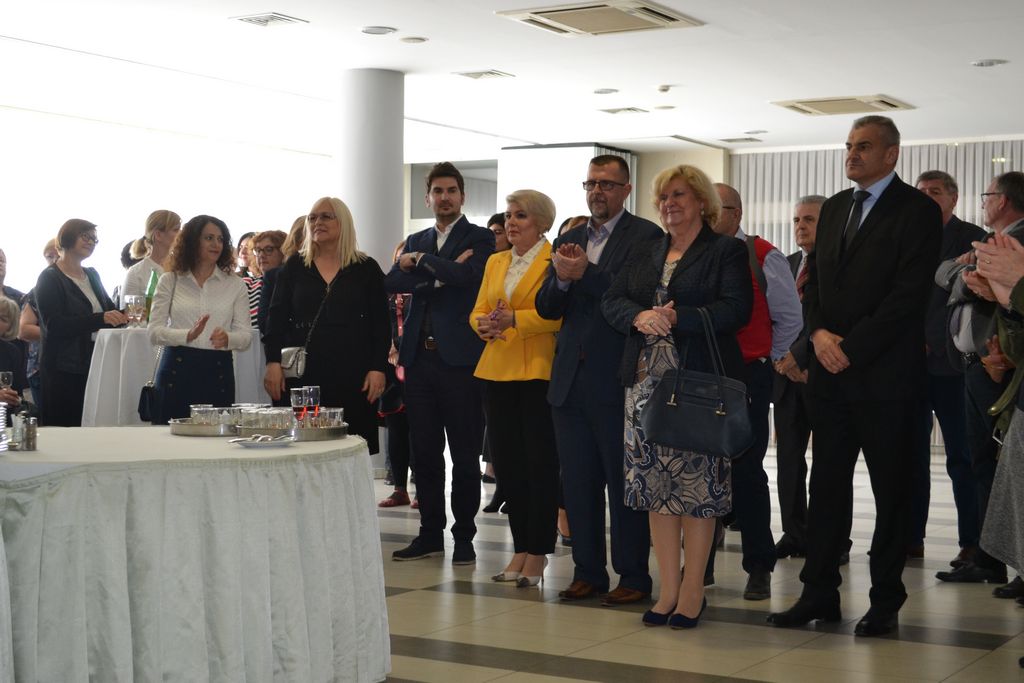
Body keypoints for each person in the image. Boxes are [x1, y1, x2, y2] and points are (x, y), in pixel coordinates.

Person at [767, 115, 942, 637]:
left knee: (891, 492)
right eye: (848, 145)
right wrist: (819, 336)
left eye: (864, 146)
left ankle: (885, 599)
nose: (852, 154)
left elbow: (907, 297)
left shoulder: (916, 210)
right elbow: (815, 283)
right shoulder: (838, 207)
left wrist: (851, 348)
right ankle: (818, 593)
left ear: (891, 154)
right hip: (831, 377)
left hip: (887, 378)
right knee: (827, 489)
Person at [601, 164, 751, 627]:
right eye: (664, 197)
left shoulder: (725, 250)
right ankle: (666, 590)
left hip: (696, 388)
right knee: (655, 492)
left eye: (679, 195)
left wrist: (675, 317)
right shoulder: (646, 249)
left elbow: (736, 309)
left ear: (702, 202)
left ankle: (692, 591)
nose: (669, 203)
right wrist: (640, 316)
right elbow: (612, 299)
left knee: (695, 490)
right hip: (644, 386)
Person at [536, 154, 661, 605]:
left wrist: (583, 275)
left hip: (618, 378)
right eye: (590, 184)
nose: (596, 192)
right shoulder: (569, 237)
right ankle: (587, 571)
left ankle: (633, 576)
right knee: (578, 482)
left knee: (623, 482)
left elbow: (633, 298)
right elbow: (547, 307)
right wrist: (561, 281)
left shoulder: (646, 236)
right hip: (569, 381)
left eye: (606, 184)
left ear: (626, 190)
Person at [384, 162, 495, 564]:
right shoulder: (418, 237)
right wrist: (439, 273)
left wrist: (420, 262)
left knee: (464, 457)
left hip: (461, 362)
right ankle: (429, 533)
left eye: (451, 191)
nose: (444, 198)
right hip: (419, 361)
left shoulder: (480, 237)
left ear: (462, 196)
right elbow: (392, 282)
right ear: (427, 197)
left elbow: (469, 278)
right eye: (437, 191)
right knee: (425, 455)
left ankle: (463, 537)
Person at [706, 182, 802, 601]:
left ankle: (759, 565)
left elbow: (790, 317)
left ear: (737, 213)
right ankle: (701, 567)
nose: (710, 216)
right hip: (701, 376)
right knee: (702, 470)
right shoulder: (694, 252)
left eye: (718, 208)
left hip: (747, 376)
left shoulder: (762, 254)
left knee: (746, 470)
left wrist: (769, 357)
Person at [935, 171, 1024, 593]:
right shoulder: (993, 242)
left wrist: (967, 274)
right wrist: (963, 273)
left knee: (999, 465)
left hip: (998, 367)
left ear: (1002, 200)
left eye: (987, 195)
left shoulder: (1013, 242)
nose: (983, 201)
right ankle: (990, 557)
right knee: (982, 463)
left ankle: (1003, 560)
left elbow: (975, 285)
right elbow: (943, 274)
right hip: (975, 366)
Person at [473, 190, 562, 587]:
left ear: (542, 223)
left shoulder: (555, 260)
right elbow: (478, 309)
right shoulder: (496, 261)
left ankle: (538, 552)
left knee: (538, 466)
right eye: (509, 215)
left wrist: (515, 321)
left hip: (537, 371)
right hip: (496, 369)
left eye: (520, 215)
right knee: (508, 467)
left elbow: (558, 316)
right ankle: (520, 548)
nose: (510, 222)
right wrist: (482, 325)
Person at [264, 198, 389, 452]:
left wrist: (378, 368)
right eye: (312, 218)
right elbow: (275, 319)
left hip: (354, 374)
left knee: (351, 446)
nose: (317, 222)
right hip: (304, 374)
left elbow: (381, 324)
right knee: (302, 447)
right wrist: (272, 363)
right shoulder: (295, 266)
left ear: (343, 222)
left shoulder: (366, 268)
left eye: (325, 216)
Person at [771, 195, 855, 563]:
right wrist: (783, 359)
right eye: (796, 220)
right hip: (785, 377)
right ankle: (795, 533)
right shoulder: (785, 264)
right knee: (788, 461)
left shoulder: (843, 265)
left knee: (831, 465)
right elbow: (772, 316)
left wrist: (800, 355)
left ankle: (832, 541)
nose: (801, 226)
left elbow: (833, 319)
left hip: (825, 375)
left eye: (810, 219)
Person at [912, 171, 986, 566]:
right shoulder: (904, 237)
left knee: (962, 456)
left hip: (954, 365)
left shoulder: (974, 239)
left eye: (935, 192)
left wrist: (929, 338)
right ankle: (910, 538)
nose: (927, 198)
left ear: (953, 199)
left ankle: (972, 542)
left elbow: (970, 300)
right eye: (921, 192)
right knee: (909, 456)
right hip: (909, 365)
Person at [147, 215, 251, 423]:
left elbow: (246, 336)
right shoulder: (170, 280)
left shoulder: (236, 284)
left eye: (220, 239)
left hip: (217, 369)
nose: (216, 244)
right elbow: (154, 332)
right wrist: (187, 334)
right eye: (209, 238)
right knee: (167, 437)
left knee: (215, 438)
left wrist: (228, 338)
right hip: (176, 368)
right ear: (192, 241)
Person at [35, 219, 127, 426]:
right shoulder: (50, 278)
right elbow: (54, 325)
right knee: (65, 429)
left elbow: (109, 312)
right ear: (67, 237)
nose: (91, 242)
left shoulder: (92, 275)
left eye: (94, 239)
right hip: (63, 368)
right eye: (85, 236)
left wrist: (130, 313)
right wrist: (100, 319)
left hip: (94, 362)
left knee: (93, 426)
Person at [379, 240, 415, 509]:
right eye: (399, 256)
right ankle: (399, 488)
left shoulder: (422, 289)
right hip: (391, 368)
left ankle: (424, 489)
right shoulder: (386, 290)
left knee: (423, 431)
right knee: (396, 430)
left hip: (418, 366)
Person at [17, 239, 59, 407]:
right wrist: (64, 332)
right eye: (50, 256)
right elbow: (23, 330)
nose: (54, 260)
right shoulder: (39, 290)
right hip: (42, 368)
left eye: (58, 255)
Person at [121, 210, 181, 303]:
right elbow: (130, 311)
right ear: (158, 235)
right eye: (176, 230)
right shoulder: (136, 273)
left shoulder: (183, 267)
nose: (181, 233)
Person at [250, 229, 287, 332]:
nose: (261, 255)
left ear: (283, 252)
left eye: (269, 249)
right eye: (258, 250)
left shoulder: (293, 285)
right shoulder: (247, 283)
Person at [0, 296, 27, 413]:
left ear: (9, 327)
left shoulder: (12, 352)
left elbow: (18, 393)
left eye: (2, 319)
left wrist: (14, 399)